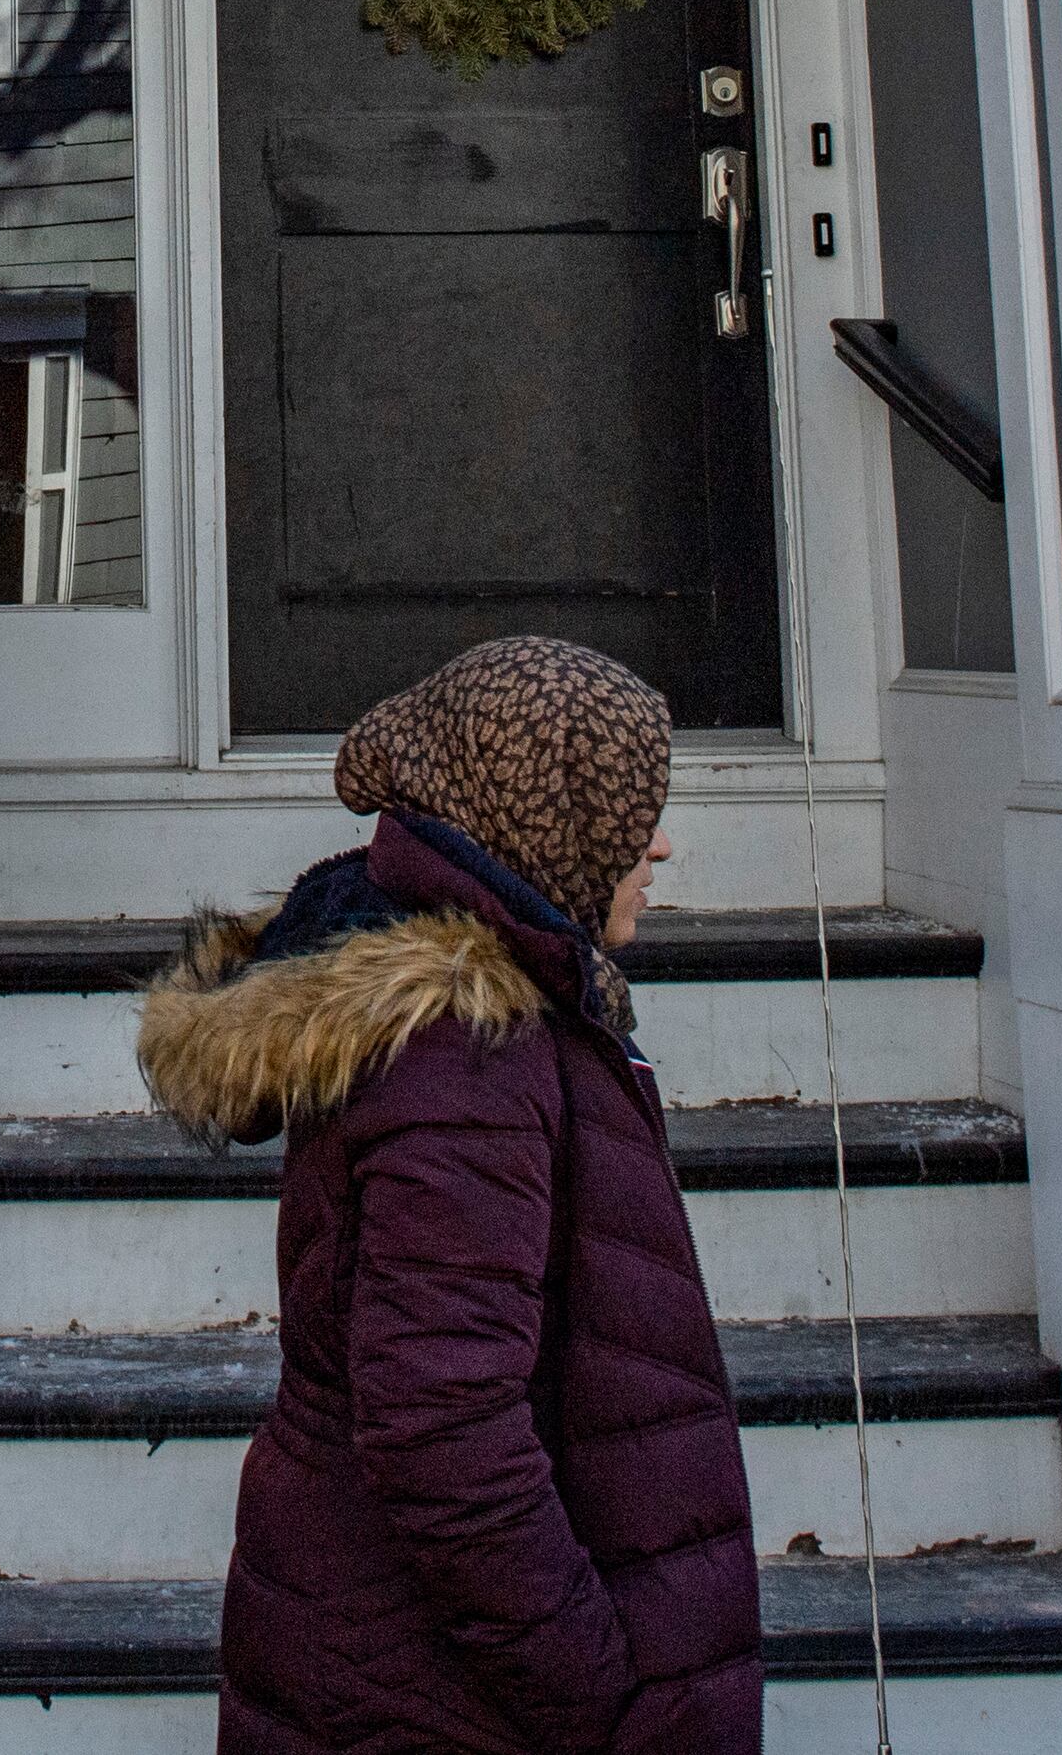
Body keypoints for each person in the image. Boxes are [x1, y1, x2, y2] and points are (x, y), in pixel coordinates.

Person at [138, 634, 748, 1755]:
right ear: (545, 819)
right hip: (437, 1696)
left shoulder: (484, 1022)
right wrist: (604, 1706)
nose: (657, 843)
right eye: (631, 808)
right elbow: (443, 1434)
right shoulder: (465, 1056)